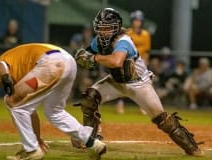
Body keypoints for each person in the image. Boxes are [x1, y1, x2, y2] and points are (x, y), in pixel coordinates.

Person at [74, 8, 204, 156]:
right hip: (116, 82)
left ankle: (192, 148)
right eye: (101, 28)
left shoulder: (124, 41)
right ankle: (91, 138)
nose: (103, 32)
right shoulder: (98, 41)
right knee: (89, 98)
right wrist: (82, 56)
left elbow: (117, 61)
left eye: (107, 28)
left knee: (162, 119)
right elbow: (87, 54)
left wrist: (94, 58)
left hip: (138, 84)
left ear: (116, 28)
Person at [0, 43, 106, 160]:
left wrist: (5, 77)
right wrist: (37, 138)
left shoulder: (0, 63)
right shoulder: (18, 64)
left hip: (51, 62)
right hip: (69, 63)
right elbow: (30, 112)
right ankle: (92, 142)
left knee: (11, 101)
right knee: (54, 111)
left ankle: (31, 149)